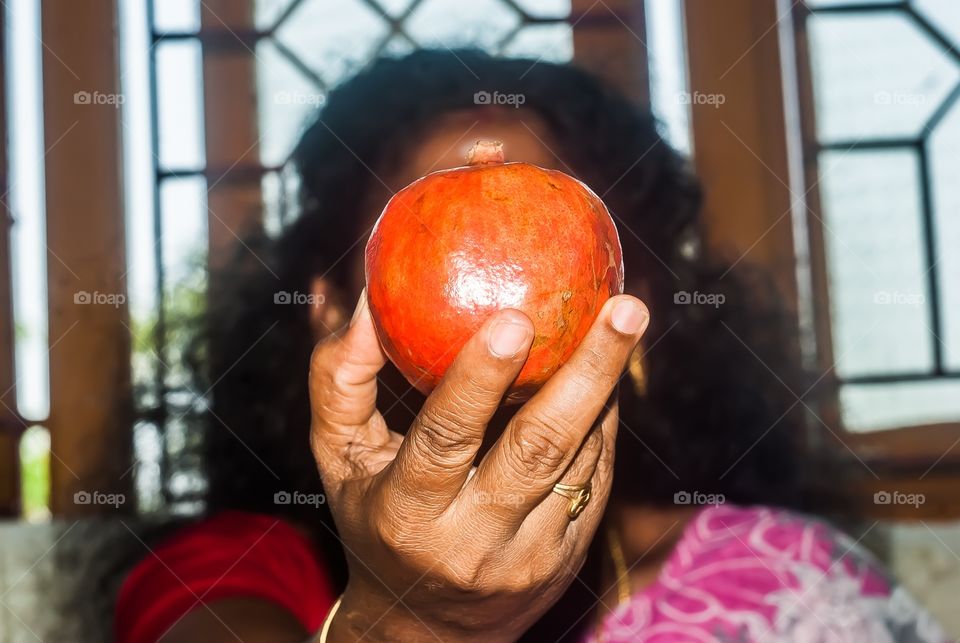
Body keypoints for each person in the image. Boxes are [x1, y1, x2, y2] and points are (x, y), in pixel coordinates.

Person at [111, 50, 947, 642]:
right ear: (329, 311)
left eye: (549, 249)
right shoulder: (230, 571)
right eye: (434, 242)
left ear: (632, 305)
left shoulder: (780, 576)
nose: (496, 321)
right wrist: (407, 624)